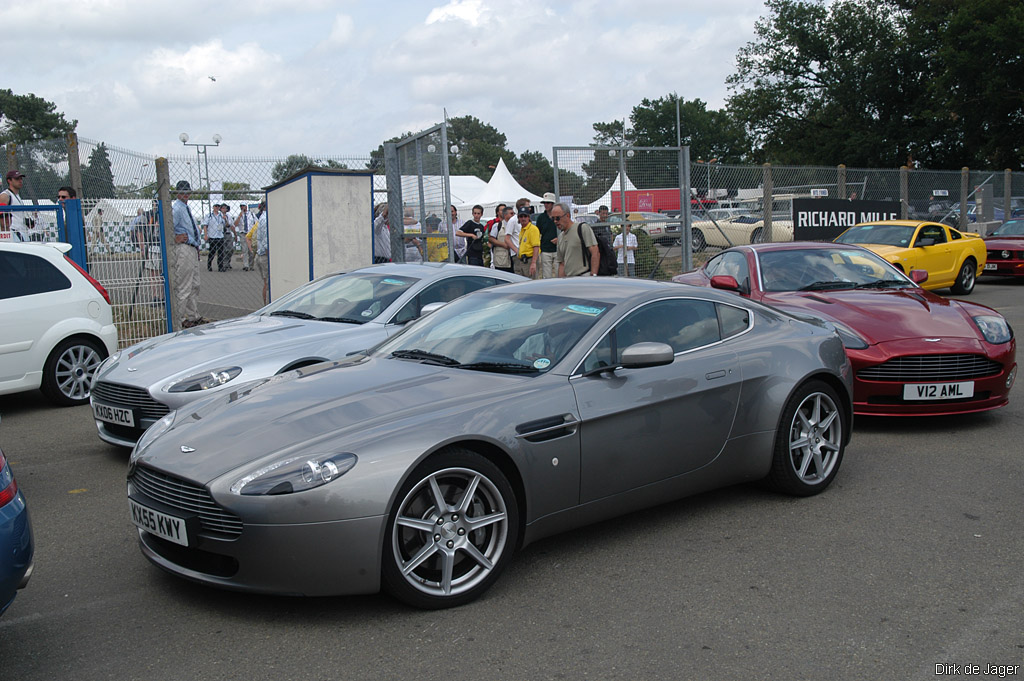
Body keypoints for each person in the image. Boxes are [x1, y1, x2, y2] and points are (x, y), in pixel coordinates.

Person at [171, 180, 205, 328]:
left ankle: (192, 316)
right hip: (184, 248)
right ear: (177, 193)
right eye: (183, 192)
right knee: (184, 286)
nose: (186, 195)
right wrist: (175, 238)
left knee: (195, 285)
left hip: (191, 247)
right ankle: (177, 320)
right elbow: (166, 228)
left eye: (187, 192)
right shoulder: (177, 209)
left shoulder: (185, 207)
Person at [553, 202, 599, 277]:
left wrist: (593, 276)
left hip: (584, 276)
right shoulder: (560, 237)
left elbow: (595, 252)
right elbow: (562, 264)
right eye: (553, 219)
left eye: (557, 218)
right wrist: (561, 283)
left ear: (567, 215)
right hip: (569, 280)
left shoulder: (582, 228)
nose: (555, 221)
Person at [536, 192, 559, 278]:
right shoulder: (541, 218)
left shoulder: (559, 216)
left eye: (548, 203)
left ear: (553, 204)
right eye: (544, 203)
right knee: (546, 275)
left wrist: (559, 239)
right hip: (545, 249)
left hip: (558, 249)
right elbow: (538, 233)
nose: (546, 205)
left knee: (558, 274)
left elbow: (565, 231)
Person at [1, 170, 29, 242]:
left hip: (22, 231)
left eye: (21, 178)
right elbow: (1, 216)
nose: (20, 181)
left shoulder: (17, 196)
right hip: (13, 232)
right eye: (17, 179)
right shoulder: (5, 195)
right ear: (9, 181)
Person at [515, 207, 541, 278]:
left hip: (530, 260)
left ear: (529, 217)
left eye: (525, 216)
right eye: (521, 216)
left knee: (531, 284)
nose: (523, 218)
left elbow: (536, 247)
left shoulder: (533, 229)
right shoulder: (523, 229)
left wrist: (533, 263)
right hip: (522, 261)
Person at [254, 200, 269, 304]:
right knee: (268, 284)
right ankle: (268, 305)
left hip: (260, 253)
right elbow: (266, 240)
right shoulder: (266, 219)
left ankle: (266, 305)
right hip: (265, 255)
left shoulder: (261, 219)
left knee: (266, 283)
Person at [205, 203, 228, 271]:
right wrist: (206, 235)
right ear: (213, 207)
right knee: (212, 252)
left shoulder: (221, 215)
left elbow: (226, 225)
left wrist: (225, 219)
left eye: (218, 206)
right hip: (212, 236)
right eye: (216, 206)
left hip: (220, 235)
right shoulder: (209, 215)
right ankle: (209, 264)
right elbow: (205, 225)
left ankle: (220, 267)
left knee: (221, 252)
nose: (217, 207)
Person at [235, 203, 256, 270]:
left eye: (243, 206)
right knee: (245, 249)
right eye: (241, 206)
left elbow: (256, 223)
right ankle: (245, 265)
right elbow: (235, 224)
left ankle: (251, 265)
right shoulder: (239, 215)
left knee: (251, 250)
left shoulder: (252, 214)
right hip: (243, 233)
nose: (242, 207)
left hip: (250, 233)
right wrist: (239, 216)